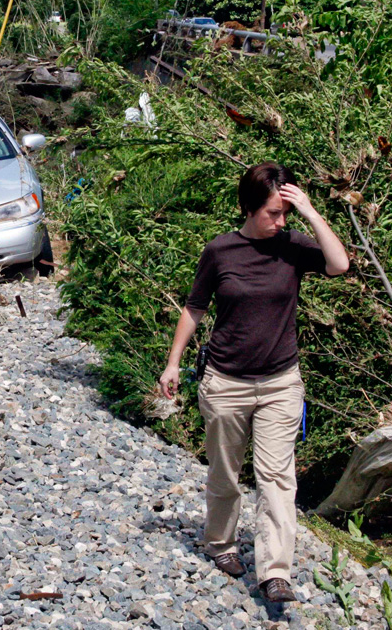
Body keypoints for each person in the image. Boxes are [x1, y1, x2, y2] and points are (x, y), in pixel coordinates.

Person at [159, 162, 349, 603]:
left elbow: (339, 265)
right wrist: (173, 363)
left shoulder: (293, 247)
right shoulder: (220, 251)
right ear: (248, 208)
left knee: (277, 478)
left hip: (282, 382)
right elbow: (194, 308)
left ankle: (275, 571)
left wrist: (311, 214)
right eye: (272, 213)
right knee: (225, 472)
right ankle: (220, 543)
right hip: (225, 382)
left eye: (284, 214)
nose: (279, 222)